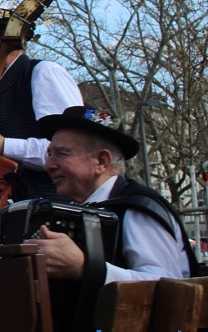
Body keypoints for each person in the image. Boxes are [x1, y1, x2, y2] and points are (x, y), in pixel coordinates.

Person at [28, 105, 195, 283]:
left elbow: (167, 285)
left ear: (102, 161)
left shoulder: (137, 208)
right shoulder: (78, 210)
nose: (48, 165)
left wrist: (85, 268)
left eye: (62, 153)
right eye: (49, 154)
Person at [0, 6, 83, 199]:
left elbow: (74, 152)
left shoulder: (43, 73)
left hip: (50, 213)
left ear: (2, 40)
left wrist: (3, 144)